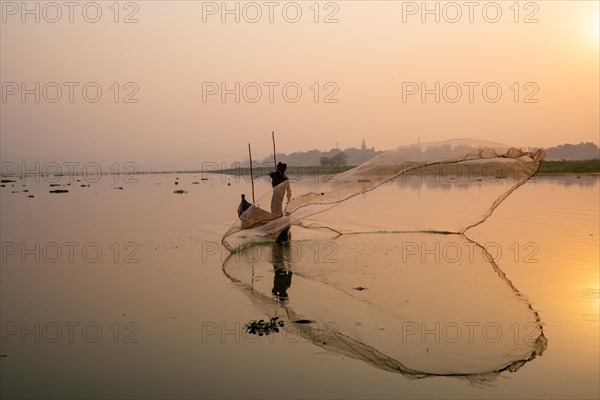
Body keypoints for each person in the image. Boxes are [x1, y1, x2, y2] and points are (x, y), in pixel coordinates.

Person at [269, 162, 292, 242]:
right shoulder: (275, 175)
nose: (280, 170)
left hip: (279, 198)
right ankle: (275, 226)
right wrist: (276, 172)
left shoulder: (285, 179)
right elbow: (270, 173)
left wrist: (288, 199)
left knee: (277, 211)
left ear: (283, 170)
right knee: (273, 209)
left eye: (280, 169)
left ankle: (277, 227)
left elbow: (289, 191)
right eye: (279, 169)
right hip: (274, 197)